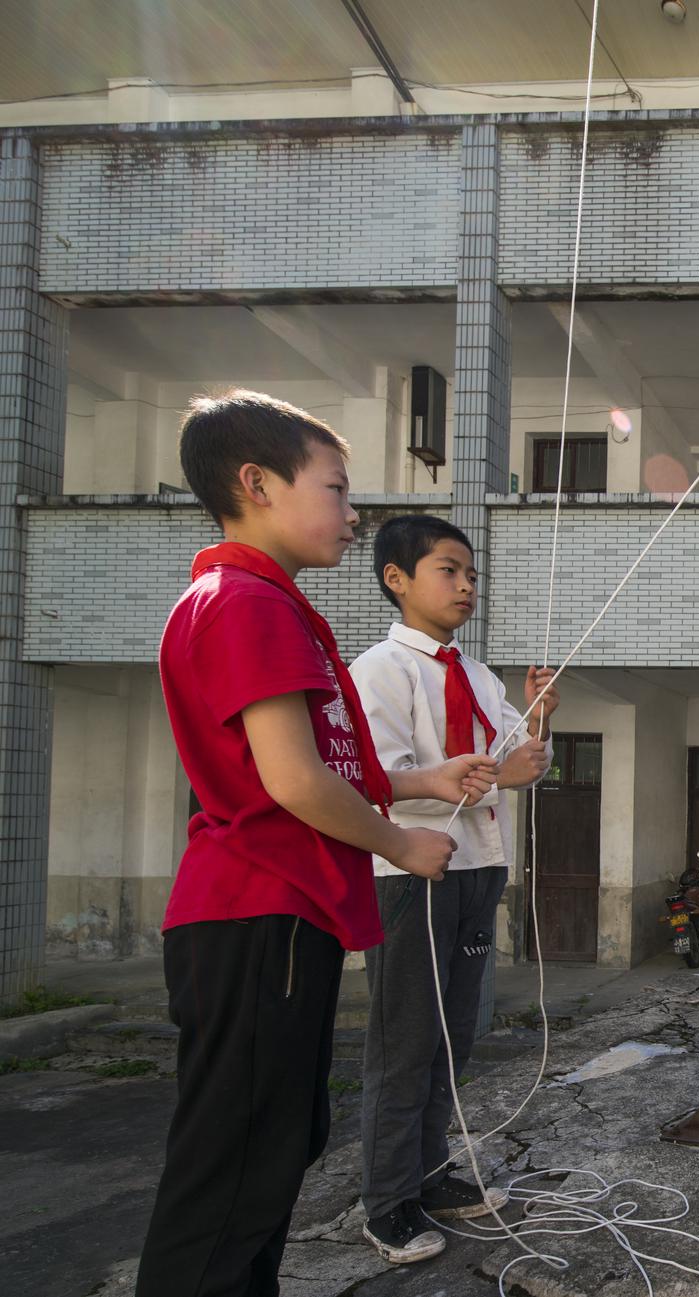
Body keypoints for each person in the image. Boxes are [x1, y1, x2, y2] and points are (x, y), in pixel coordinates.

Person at [138, 392, 465, 1297]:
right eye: (335, 487)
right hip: (258, 914)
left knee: (274, 1146)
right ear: (256, 483)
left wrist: (421, 783)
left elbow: (307, 764)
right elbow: (290, 781)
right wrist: (401, 842)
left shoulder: (257, 600)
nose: (353, 513)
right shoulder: (245, 603)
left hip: (278, 914)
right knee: (236, 1164)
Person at [351, 516, 560, 1262]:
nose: (467, 585)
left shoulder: (477, 675)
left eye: (472, 574)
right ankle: (387, 1200)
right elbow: (377, 785)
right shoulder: (381, 670)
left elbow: (519, 760)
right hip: (411, 872)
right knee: (405, 1037)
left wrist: (536, 720)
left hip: (477, 866)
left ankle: (431, 1174)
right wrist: (490, 776)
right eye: (448, 570)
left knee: (454, 1033)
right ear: (397, 578)